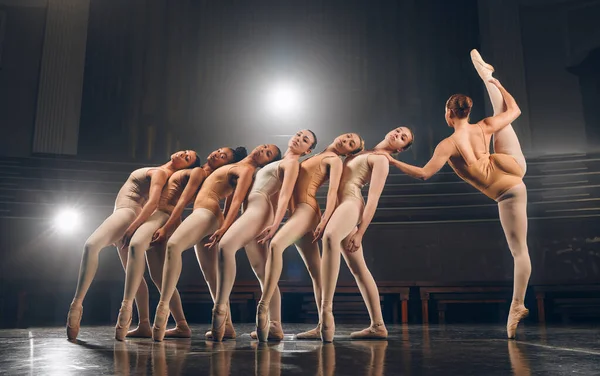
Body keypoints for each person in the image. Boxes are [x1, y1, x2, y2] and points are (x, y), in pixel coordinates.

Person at [385, 49, 529, 339]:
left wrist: (392, 161)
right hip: (514, 170)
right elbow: (515, 111)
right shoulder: (484, 126)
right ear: (467, 112)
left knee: (518, 252)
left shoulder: (448, 145)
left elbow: (425, 173)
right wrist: (499, 85)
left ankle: (517, 305)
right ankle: (489, 78)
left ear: (448, 113)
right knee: (505, 117)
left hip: (508, 192)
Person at [152, 144, 282, 341]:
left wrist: (225, 228)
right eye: (263, 147)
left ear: (267, 162)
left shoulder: (246, 170)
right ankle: (227, 326)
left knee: (173, 245)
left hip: (208, 214)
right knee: (211, 276)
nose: (261, 151)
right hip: (207, 214)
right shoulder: (232, 167)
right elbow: (230, 200)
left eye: (267, 153)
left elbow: (237, 200)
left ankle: (162, 311)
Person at [66, 150, 200, 340]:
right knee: (141, 275)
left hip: (127, 213)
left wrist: (131, 227)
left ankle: (76, 306)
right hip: (127, 215)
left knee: (90, 245)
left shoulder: (160, 174)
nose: (182, 154)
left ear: (186, 168)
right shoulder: (160, 171)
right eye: (185, 152)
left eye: (187, 158)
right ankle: (148, 324)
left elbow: (153, 202)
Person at [114, 147, 241, 340]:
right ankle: (205, 325)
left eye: (223, 157)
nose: (217, 154)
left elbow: (182, 202)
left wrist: (166, 227)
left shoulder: (200, 172)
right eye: (218, 151)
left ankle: (158, 315)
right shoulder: (202, 173)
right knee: (209, 275)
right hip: (202, 216)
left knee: (190, 267)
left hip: (197, 216)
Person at [254, 133, 365, 342]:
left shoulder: (333, 160)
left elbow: (332, 192)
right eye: (348, 137)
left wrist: (325, 219)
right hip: (297, 212)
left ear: (348, 153)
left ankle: (263, 307)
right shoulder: (310, 158)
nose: (346, 141)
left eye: (351, 145)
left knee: (276, 245)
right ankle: (322, 328)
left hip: (307, 210)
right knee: (316, 272)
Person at [210, 130, 318, 341]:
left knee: (226, 246)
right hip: (253, 209)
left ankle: (220, 312)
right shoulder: (276, 162)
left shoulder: (292, 163)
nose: (298, 138)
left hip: (260, 209)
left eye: (305, 140)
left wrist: (276, 224)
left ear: (308, 150)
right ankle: (275, 325)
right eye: (298, 134)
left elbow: (285, 194)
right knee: (262, 271)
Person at [320, 127, 413, 342]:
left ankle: (326, 313)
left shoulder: (381, 160)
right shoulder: (360, 152)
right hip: (339, 207)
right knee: (359, 268)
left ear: (401, 148)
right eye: (398, 131)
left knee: (330, 237)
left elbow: (373, 199)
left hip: (352, 203)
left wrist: (361, 231)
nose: (397, 135)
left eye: (402, 138)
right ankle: (378, 325)